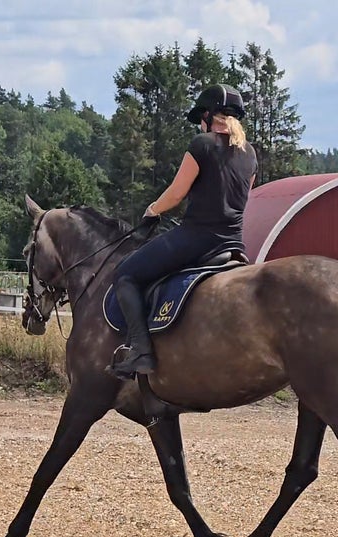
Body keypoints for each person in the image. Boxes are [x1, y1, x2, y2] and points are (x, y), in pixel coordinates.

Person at [108, 83, 258, 380]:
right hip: (233, 245)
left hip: (197, 240)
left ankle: (141, 349)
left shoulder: (202, 144)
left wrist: (152, 211)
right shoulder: (250, 154)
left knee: (125, 275)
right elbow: (243, 200)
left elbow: (177, 194)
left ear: (207, 115)